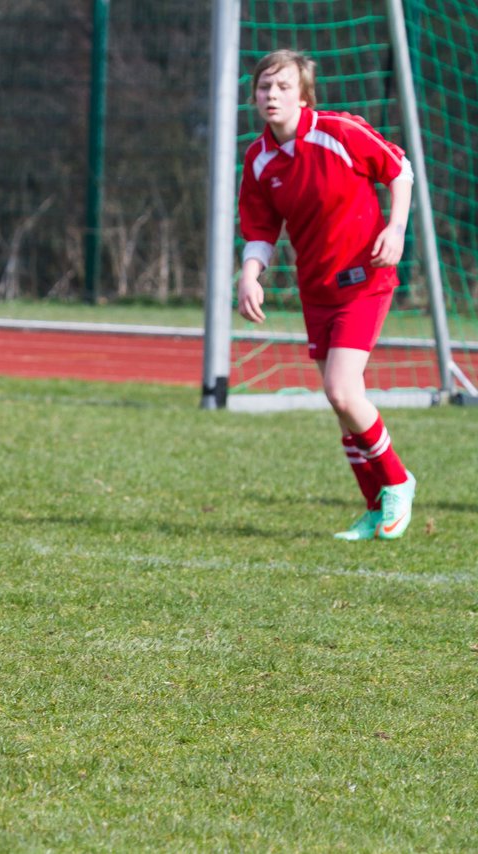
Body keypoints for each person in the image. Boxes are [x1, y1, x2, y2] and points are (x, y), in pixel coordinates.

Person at [237, 49, 416, 540]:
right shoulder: (259, 158)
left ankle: (398, 480)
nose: (272, 96)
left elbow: (399, 170)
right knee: (340, 403)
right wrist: (249, 274)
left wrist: (396, 229)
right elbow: (260, 228)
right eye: (264, 88)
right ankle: (375, 506)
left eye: (283, 87)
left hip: (366, 278)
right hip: (316, 289)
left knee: (342, 389)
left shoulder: (339, 132)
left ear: (303, 94)